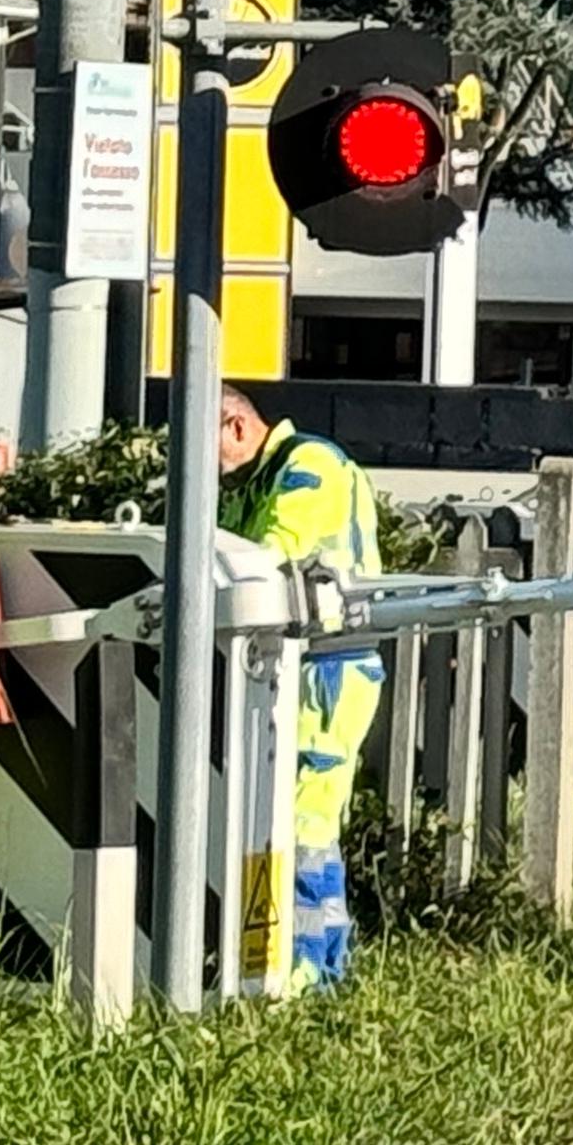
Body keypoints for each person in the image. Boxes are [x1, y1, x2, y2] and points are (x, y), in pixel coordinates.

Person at [215, 384, 384, 987]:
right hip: (297, 665)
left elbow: (267, 558)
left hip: (328, 667)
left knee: (303, 822)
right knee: (291, 818)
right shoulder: (252, 481)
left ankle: (311, 973)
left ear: (236, 428)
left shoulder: (307, 465)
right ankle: (316, 961)